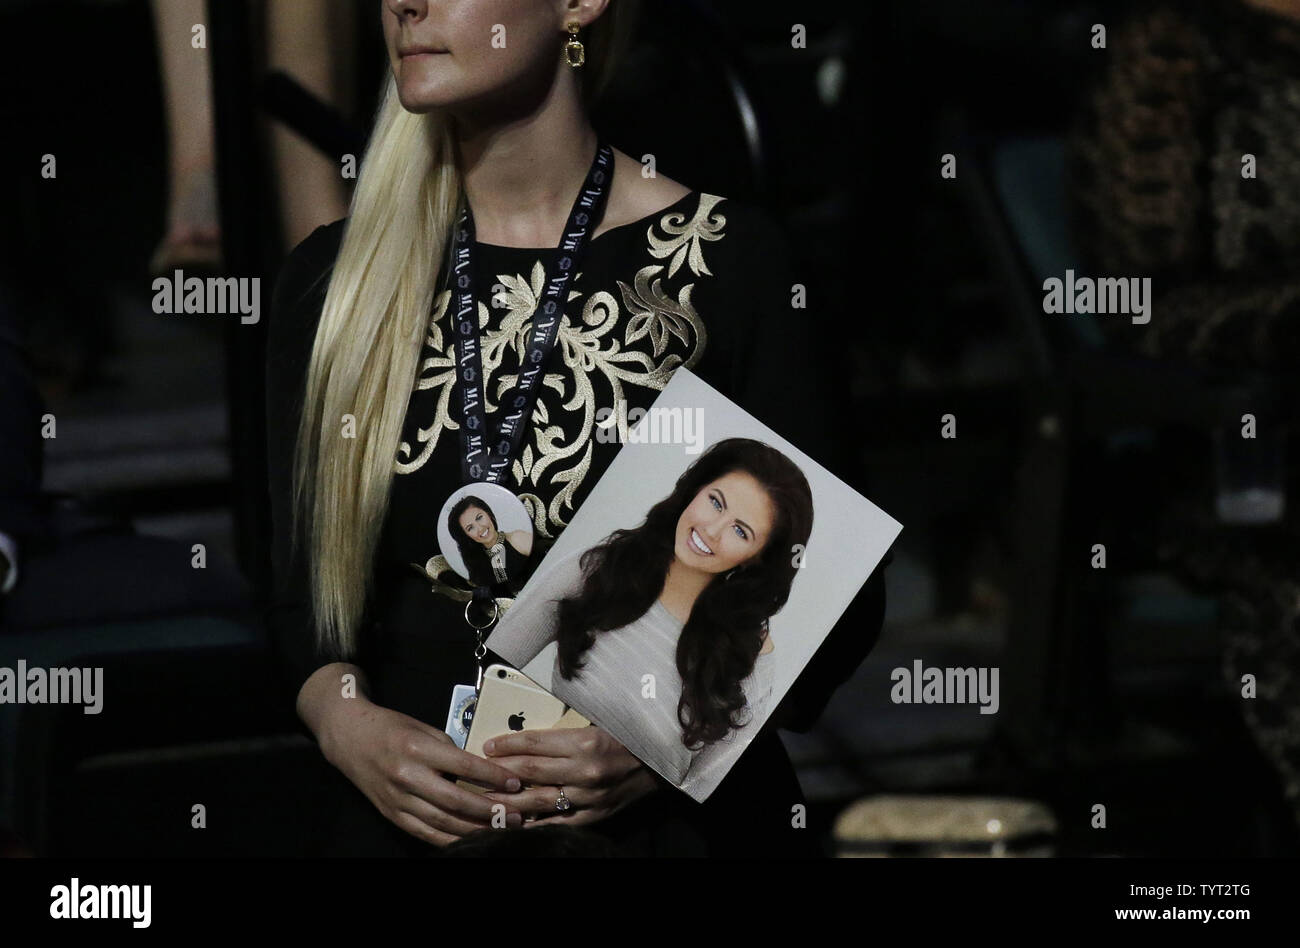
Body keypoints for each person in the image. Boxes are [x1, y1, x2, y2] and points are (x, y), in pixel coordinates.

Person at [265, 0, 888, 857]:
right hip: (412, 824)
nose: (405, 4)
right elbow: (304, 599)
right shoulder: (330, 286)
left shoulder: (730, 267)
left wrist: (667, 735)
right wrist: (346, 728)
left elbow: (832, 596)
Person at [496, 438, 812, 797]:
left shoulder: (751, 658)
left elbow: (704, 789)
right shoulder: (599, 569)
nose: (711, 530)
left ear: (756, 559)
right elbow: (491, 661)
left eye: (741, 531)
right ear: (695, 490)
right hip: (521, 797)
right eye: (715, 502)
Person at [447, 495, 534, 595]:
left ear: (488, 514)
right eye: (470, 528)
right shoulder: (475, 564)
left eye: (479, 518)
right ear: (466, 536)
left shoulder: (518, 538)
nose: (480, 528)